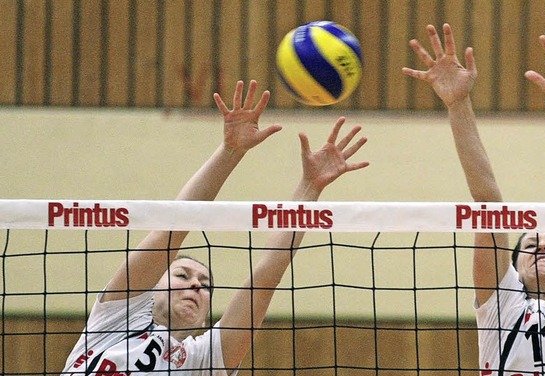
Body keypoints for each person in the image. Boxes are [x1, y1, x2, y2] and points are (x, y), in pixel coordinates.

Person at [63, 80, 369, 375]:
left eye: (206, 285)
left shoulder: (203, 360)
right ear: (151, 290)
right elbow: (171, 229)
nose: (196, 285)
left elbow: (264, 281)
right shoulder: (117, 318)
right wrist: (230, 151)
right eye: (182, 275)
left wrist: (310, 188)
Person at [403, 24, 545, 375]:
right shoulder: (500, 306)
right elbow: (487, 202)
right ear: (514, 269)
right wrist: (457, 103)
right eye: (531, 242)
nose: (542, 246)